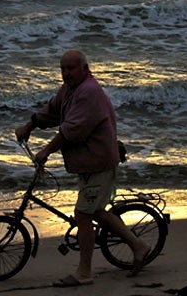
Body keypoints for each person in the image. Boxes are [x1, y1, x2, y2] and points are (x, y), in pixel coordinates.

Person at [15, 48, 150, 287]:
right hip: (88, 163)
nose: (66, 73)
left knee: (83, 214)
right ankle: (138, 246)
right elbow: (53, 111)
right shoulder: (70, 89)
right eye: (63, 69)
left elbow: (71, 130)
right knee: (95, 210)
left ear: (85, 69)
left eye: (71, 68)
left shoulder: (89, 92)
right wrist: (30, 125)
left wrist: (46, 150)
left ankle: (85, 272)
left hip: (99, 162)